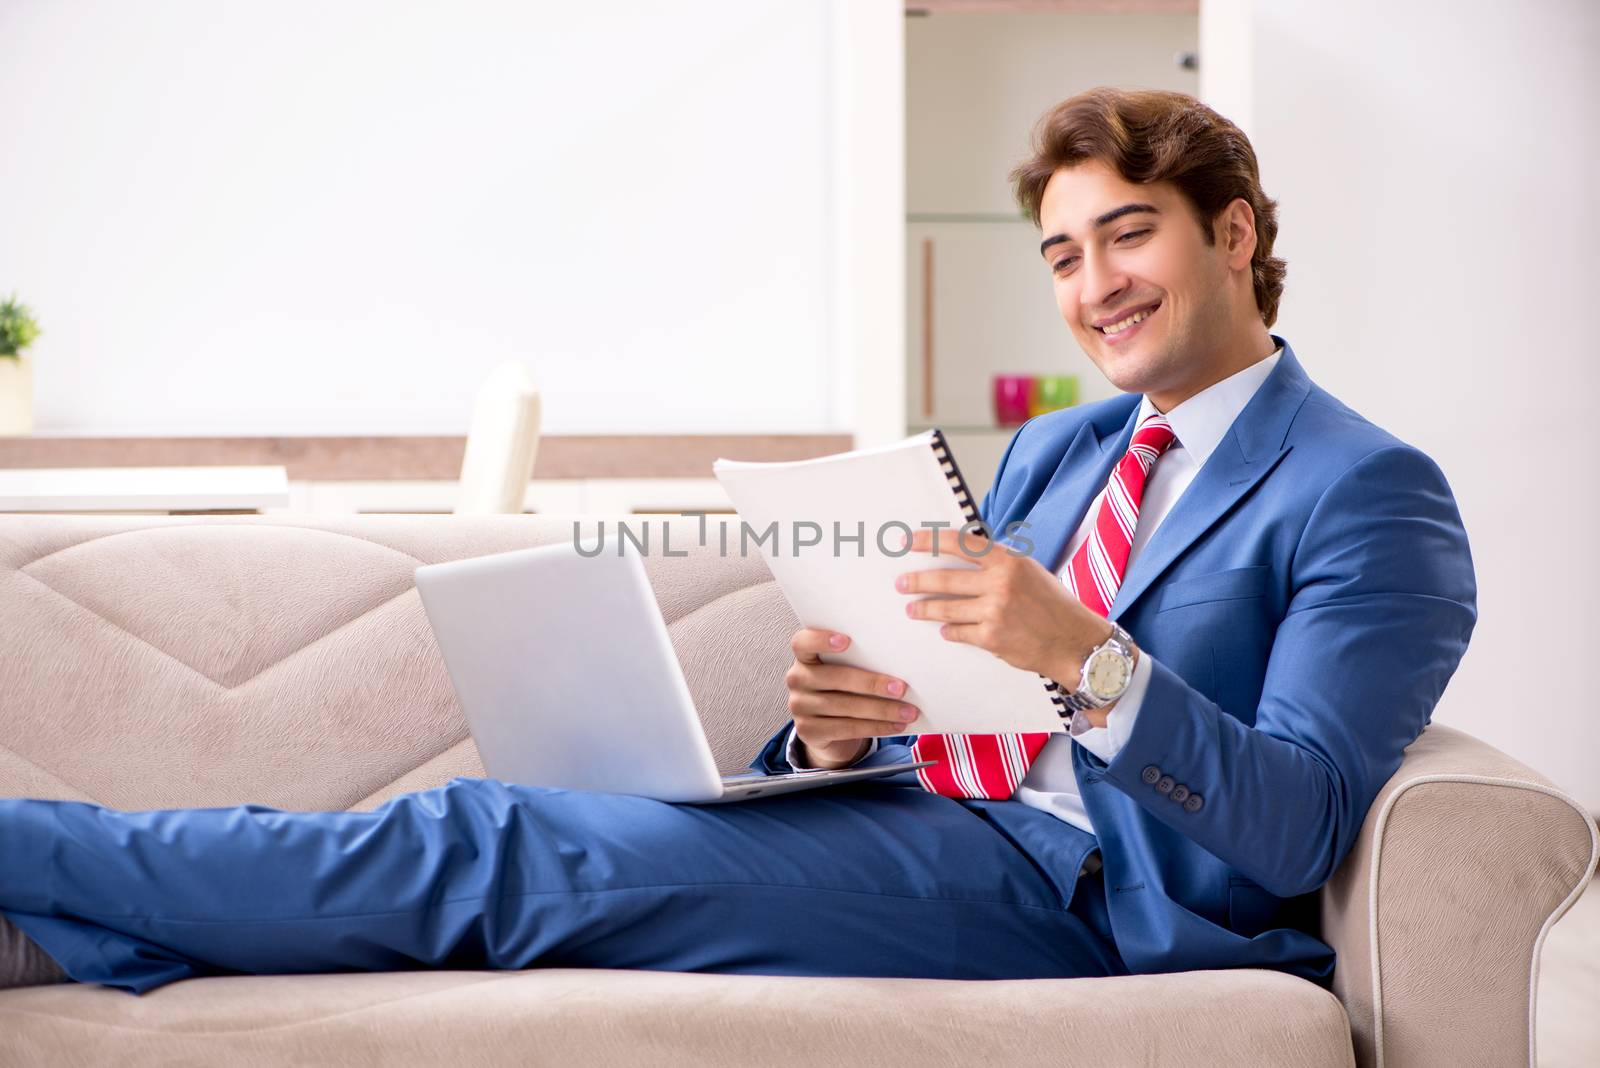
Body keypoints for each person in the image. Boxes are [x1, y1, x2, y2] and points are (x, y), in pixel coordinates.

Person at [0, 87, 1474, 995]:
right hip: (917, 812)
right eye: (1064, 256)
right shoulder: (1062, 445)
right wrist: (835, 733)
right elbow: (947, 693)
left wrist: (1089, 662)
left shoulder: (1367, 492)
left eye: (1130, 235)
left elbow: (1296, 823)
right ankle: (66, 929)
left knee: (492, 837)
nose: (1093, 287)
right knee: (503, 824)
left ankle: (31, 855)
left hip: (1079, 894)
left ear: (1233, 234)